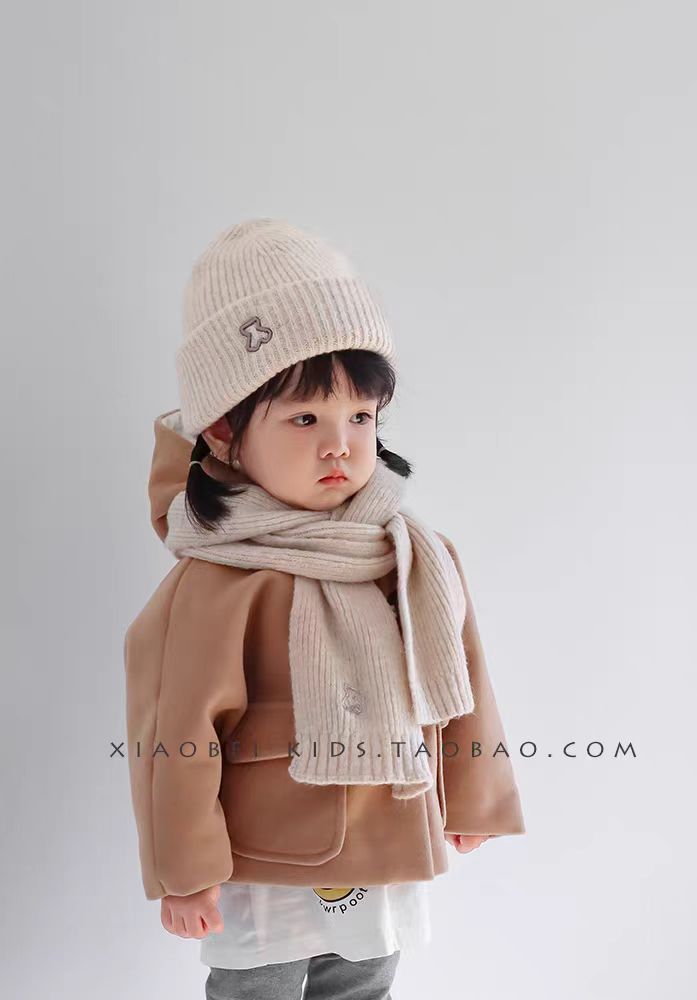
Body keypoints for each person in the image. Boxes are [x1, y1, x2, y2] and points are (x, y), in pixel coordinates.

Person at [124, 218, 526, 999]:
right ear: (225, 432)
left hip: (386, 835)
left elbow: (465, 680)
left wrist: (473, 790)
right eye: (305, 419)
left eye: (361, 417)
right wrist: (185, 871)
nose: (340, 444)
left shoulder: (413, 555)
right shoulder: (219, 582)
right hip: (264, 856)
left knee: (366, 980)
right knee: (260, 986)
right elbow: (176, 731)